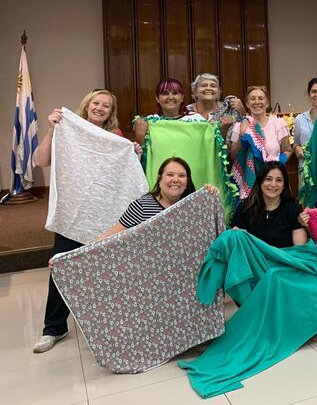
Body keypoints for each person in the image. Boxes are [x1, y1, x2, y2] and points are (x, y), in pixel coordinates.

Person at [32, 89, 135, 353]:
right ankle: (54, 328)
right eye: (96, 103)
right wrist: (52, 130)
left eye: (107, 106)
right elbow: (41, 160)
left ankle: (108, 325)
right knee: (63, 267)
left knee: (106, 272)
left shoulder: (114, 138)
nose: (100, 108)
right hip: (74, 215)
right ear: (86, 105)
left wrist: (133, 152)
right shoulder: (67, 131)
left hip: (104, 216)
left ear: (111, 113)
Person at [95, 157, 218, 239]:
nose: (175, 179)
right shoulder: (141, 206)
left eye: (181, 176)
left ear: (187, 182)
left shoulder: (194, 208)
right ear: (160, 179)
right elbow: (111, 236)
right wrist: (81, 253)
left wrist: (210, 196)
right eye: (170, 175)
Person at [229, 86, 292, 199]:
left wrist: (277, 163)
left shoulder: (278, 123)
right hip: (249, 181)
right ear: (247, 104)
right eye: (252, 99)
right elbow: (234, 156)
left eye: (260, 98)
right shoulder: (239, 125)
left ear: (267, 103)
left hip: (273, 182)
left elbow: (287, 150)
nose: (257, 102)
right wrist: (243, 133)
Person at [231, 162, 308, 248]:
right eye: (268, 179)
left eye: (279, 180)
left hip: (284, 260)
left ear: (284, 185)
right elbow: (240, 246)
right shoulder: (244, 208)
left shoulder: (293, 209)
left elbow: (300, 249)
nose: (273, 184)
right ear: (260, 182)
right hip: (252, 260)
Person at [134, 78, 204, 144]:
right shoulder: (148, 122)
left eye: (175, 93)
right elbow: (141, 153)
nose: (170, 97)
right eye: (165, 93)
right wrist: (140, 136)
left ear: (182, 97)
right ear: (157, 98)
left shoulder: (197, 119)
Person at [294, 78, 317, 177]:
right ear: (309, 94)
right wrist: (297, 149)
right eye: (314, 91)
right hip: (306, 171)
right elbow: (296, 143)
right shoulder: (300, 119)